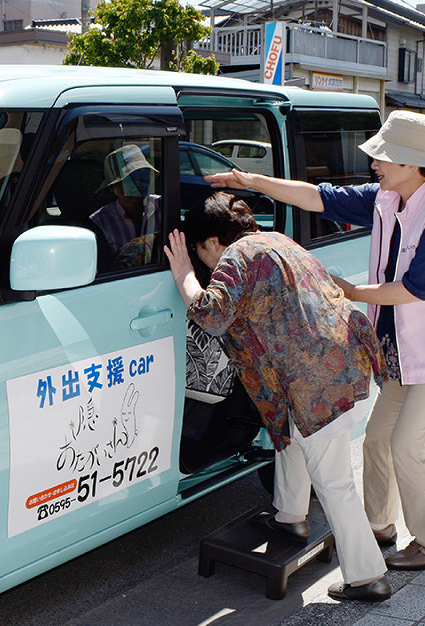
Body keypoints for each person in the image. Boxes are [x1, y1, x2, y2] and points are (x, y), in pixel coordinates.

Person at [205, 110, 425, 571]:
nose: (374, 163)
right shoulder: (387, 198)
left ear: (413, 163)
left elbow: (416, 289)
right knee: (377, 441)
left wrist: (351, 291)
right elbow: (319, 198)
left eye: (384, 157)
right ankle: (378, 528)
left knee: (409, 447)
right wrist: (252, 180)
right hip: (398, 351)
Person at [165, 191, 391, 602]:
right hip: (333, 370)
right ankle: (290, 517)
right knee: (288, 439)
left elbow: (211, 313)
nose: (204, 263)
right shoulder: (279, 240)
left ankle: (368, 576)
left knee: (334, 481)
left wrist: (183, 272)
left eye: (200, 252)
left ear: (213, 241)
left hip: (317, 385)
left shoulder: (237, 254)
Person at [89, 144, 161, 265]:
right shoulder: (99, 222)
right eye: (129, 181)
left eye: (143, 178)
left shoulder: (161, 207)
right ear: (113, 188)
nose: (138, 186)